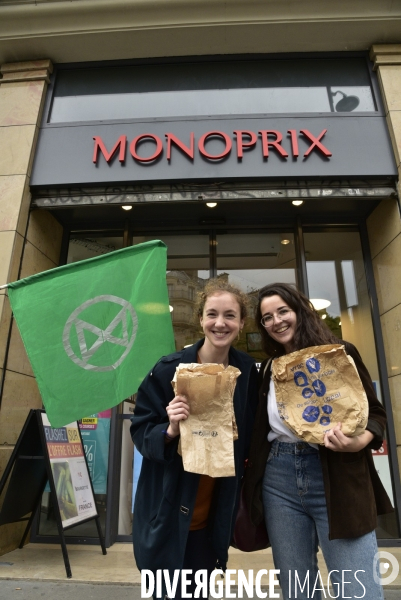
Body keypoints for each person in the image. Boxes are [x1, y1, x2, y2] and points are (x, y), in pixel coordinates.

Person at [244, 282, 393, 600]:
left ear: (300, 311)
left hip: (336, 473)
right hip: (278, 478)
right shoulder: (270, 369)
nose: (276, 321)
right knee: (298, 590)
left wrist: (360, 441)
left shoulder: (341, 354)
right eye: (267, 317)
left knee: (358, 589)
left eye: (283, 311)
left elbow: (377, 414)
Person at [130, 279, 258, 599]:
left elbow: (253, 430)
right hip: (169, 511)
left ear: (241, 323)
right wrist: (170, 429)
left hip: (211, 515)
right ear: (201, 318)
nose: (220, 323)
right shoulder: (168, 368)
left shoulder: (246, 371)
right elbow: (141, 430)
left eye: (230, 315)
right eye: (212, 314)